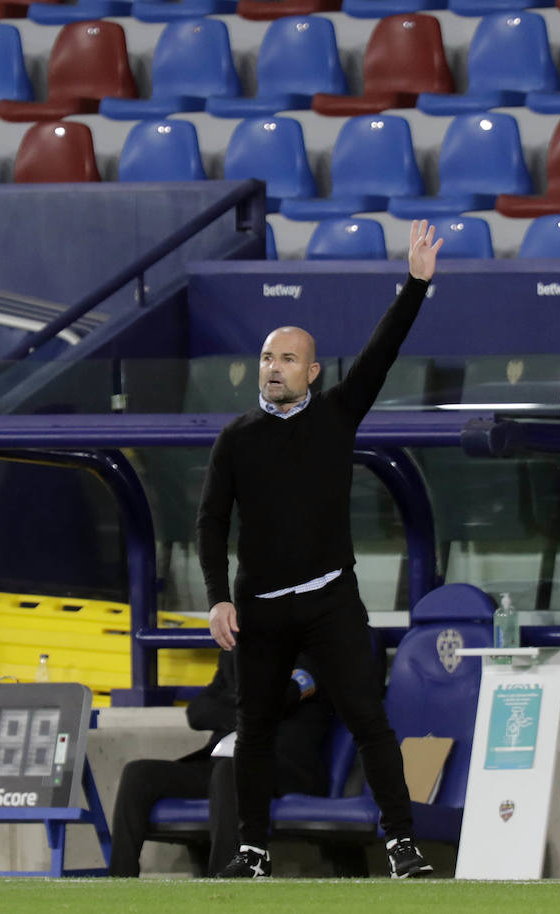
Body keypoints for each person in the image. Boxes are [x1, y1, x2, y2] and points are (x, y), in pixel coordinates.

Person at [197, 220, 444, 879]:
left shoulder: (338, 414)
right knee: (254, 734)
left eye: (285, 360)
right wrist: (218, 598)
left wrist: (415, 285)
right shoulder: (237, 438)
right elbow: (211, 522)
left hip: (331, 600)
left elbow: (382, 352)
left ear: (311, 371)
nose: (272, 369)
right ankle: (252, 852)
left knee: (369, 719)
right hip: (262, 610)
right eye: (266, 359)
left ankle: (400, 844)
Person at [108, 650, 330, 877]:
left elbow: (281, 698)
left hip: (281, 769)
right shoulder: (233, 655)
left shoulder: (308, 651)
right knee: (138, 774)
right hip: (220, 765)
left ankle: (223, 886)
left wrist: (232, 702)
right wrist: (248, 709)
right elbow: (198, 712)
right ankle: (120, 883)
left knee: (231, 770)